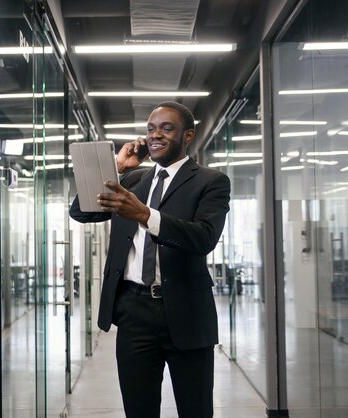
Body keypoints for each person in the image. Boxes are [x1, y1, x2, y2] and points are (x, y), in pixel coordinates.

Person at [69, 101, 230, 418]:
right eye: (151, 129)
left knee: (195, 410)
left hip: (186, 311)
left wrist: (144, 215)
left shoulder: (210, 181)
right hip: (134, 311)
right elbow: (80, 212)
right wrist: (119, 168)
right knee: (138, 409)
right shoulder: (132, 181)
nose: (156, 135)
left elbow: (203, 238)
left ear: (188, 135)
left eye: (167, 128)